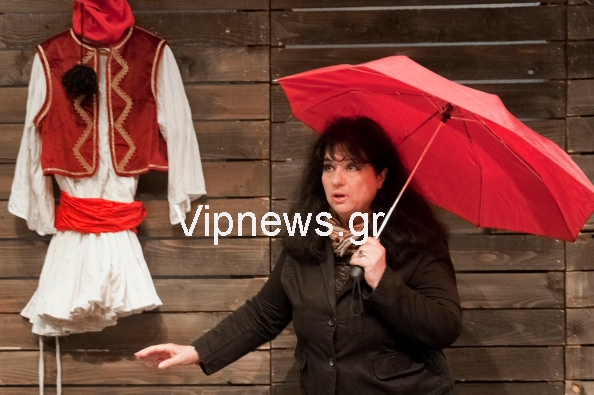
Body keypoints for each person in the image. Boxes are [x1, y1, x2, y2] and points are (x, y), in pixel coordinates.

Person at [136, 117, 462, 394]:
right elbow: (264, 314)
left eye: (352, 166)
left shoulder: (418, 242)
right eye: (329, 167)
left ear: (381, 177)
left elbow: (444, 327)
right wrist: (197, 351)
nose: (337, 179)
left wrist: (384, 281)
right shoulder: (308, 239)